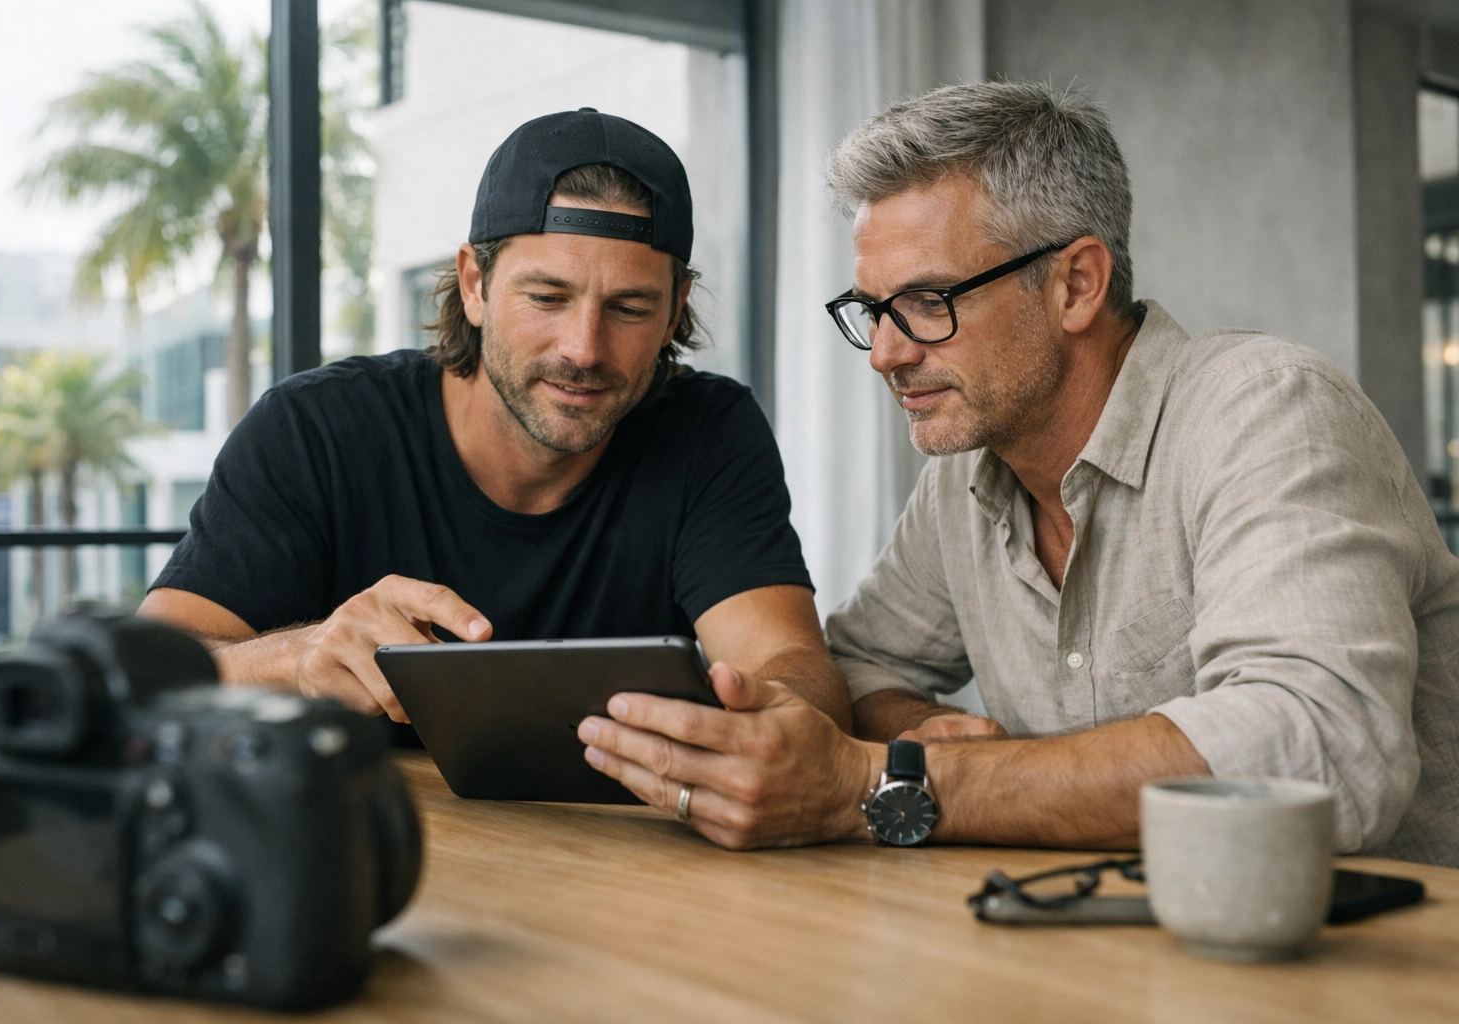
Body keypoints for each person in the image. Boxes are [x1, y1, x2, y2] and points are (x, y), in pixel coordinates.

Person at [576, 82, 1459, 867]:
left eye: (928, 302)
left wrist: (893, 782)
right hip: (1103, 950)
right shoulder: (967, 478)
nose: (884, 354)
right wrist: (916, 738)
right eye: (872, 310)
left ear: (1076, 284)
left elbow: (1326, 749)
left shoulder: (1267, 413)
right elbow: (856, 666)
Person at [139, 108, 851, 736]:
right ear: (475, 285)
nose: (584, 348)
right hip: (363, 854)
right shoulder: (315, 429)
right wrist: (298, 657)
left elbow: (792, 666)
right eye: (546, 297)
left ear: (674, 308)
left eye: (630, 308)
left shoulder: (708, 431)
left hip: (614, 870)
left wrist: (778, 723)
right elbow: (143, 680)